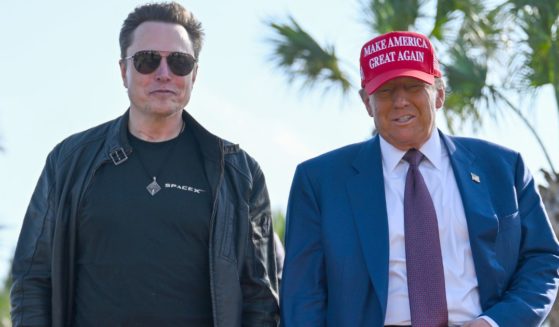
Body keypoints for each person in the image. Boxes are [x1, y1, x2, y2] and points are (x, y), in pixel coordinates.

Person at [10, 2, 279, 326]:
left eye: (179, 62)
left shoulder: (239, 174)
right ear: (124, 70)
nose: (163, 73)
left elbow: (260, 299)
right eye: (147, 60)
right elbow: (32, 277)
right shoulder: (68, 161)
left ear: (194, 74)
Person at [280, 30, 559, 326]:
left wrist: (494, 323)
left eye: (413, 86)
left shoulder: (503, 168)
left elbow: (542, 261)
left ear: (438, 94)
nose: (400, 101)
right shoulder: (320, 181)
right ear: (366, 103)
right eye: (385, 91)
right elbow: (302, 297)